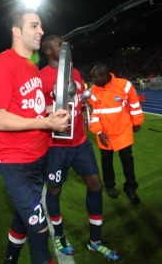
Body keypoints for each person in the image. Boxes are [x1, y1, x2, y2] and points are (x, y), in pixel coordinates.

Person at [0, 8, 70, 264]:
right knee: (40, 230)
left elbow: (33, 107)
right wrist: (44, 122)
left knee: (25, 214)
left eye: (41, 26)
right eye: (34, 26)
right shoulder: (1, 66)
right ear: (16, 31)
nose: (41, 31)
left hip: (38, 155)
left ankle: (10, 259)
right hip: (15, 161)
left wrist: (55, 112)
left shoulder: (31, 65)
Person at [39, 36, 120, 260]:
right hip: (56, 145)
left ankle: (95, 240)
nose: (65, 47)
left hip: (80, 142)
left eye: (65, 44)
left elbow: (80, 101)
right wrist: (56, 106)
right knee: (54, 189)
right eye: (58, 44)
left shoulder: (74, 73)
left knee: (95, 184)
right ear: (47, 51)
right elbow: (37, 110)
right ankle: (59, 234)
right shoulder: (41, 77)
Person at [88, 64, 144, 203]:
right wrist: (99, 131)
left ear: (105, 76)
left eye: (95, 77)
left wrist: (137, 122)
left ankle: (131, 188)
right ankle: (109, 185)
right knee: (106, 160)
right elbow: (92, 114)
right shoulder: (92, 91)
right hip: (104, 132)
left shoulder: (124, 85)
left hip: (122, 130)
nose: (93, 80)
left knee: (127, 160)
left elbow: (134, 104)